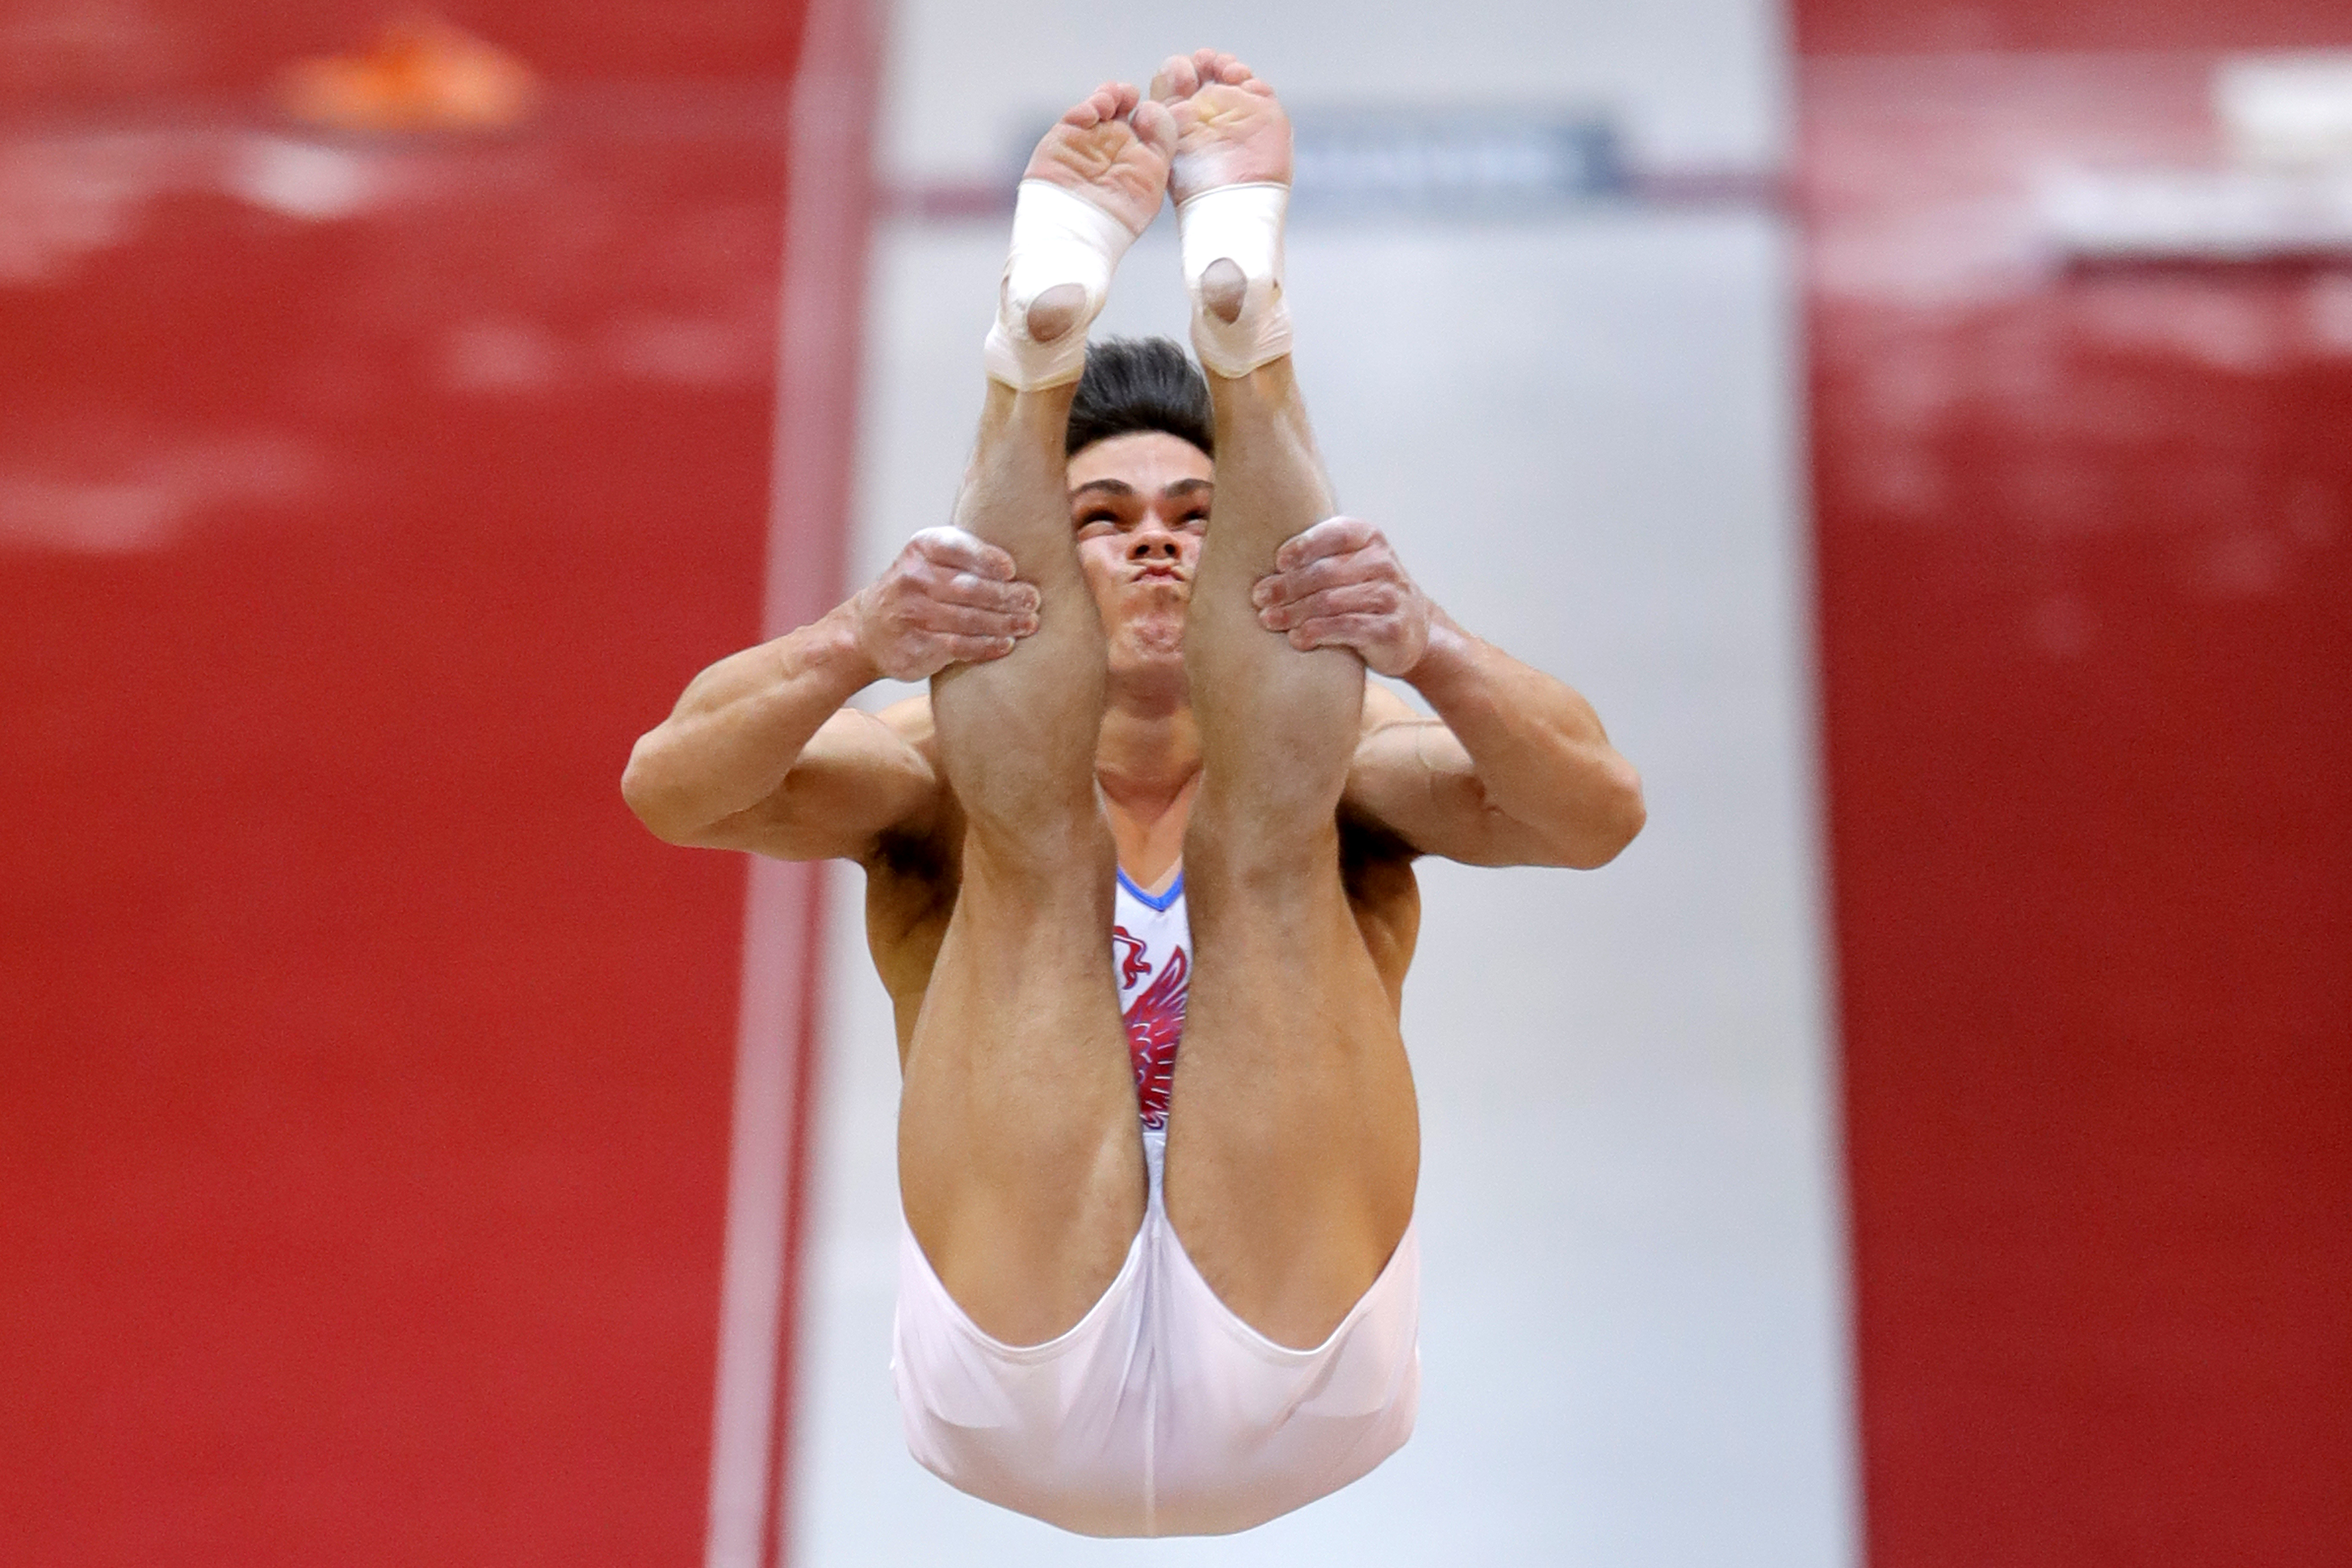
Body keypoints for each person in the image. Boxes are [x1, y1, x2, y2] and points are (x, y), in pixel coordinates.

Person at [622, 50, 1645, 1537]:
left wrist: (1426, 644)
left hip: (1288, 1337)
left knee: (1270, 838)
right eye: (1100, 516)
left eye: (1196, 516)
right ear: (1062, 553)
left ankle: (1226, 329)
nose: (1156, 547)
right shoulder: (922, 774)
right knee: (1029, 851)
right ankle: (1071, 355)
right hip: (1024, 1334)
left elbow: (1595, 810)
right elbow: (674, 788)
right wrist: (858, 641)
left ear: (1234, 562)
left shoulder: (1349, 772)